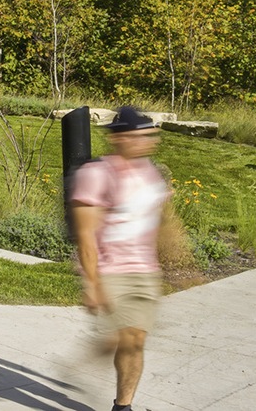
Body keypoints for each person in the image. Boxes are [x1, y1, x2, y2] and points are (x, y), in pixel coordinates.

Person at [70, 105, 181, 411]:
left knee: (135, 341)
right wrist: (91, 283)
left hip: (146, 271)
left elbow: (157, 222)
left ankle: (123, 404)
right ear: (120, 138)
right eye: (141, 136)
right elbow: (86, 235)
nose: (150, 142)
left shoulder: (152, 175)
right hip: (111, 271)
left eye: (151, 135)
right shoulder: (95, 174)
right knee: (127, 337)